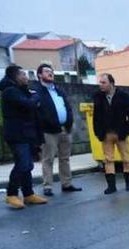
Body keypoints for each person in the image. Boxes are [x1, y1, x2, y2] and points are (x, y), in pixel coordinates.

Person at [0, 65, 47, 209]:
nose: (26, 77)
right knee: (23, 163)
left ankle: (28, 194)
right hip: (16, 134)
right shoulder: (10, 92)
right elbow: (29, 104)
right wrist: (35, 96)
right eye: (23, 75)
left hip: (27, 133)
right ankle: (11, 194)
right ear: (15, 76)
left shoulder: (21, 91)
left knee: (28, 165)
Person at [34, 63, 81, 196]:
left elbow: (68, 107)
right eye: (47, 71)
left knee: (65, 158)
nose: (50, 73)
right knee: (48, 159)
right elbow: (38, 113)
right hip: (49, 131)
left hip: (64, 129)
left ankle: (67, 183)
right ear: (39, 75)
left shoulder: (59, 91)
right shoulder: (37, 92)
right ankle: (47, 186)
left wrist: (69, 122)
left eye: (51, 71)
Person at [92, 73, 129, 194]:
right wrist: (98, 132)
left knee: (126, 158)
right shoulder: (98, 97)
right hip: (106, 134)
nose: (101, 85)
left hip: (121, 132)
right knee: (108, 159)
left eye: (103, 83)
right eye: (100, 83)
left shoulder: (123, 96)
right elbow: (96, 116)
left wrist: (128, 130)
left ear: (111, 83)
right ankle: (111, 186)